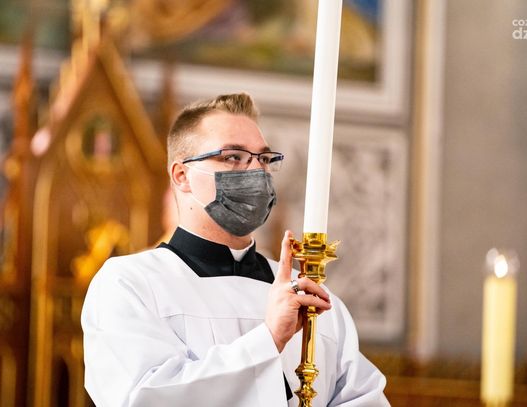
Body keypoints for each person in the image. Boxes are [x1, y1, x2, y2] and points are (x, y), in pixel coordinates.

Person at [81, 93, 389, 406]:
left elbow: (364, 397)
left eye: (264, 159)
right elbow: (143, 398)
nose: (257, 172)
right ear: (182, 176)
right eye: (233, 157)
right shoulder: (129, 284)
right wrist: (268, 340)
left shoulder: (311, 296)